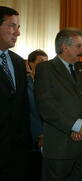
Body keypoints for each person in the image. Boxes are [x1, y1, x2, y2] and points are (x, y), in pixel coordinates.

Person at [34, 28, 82, 181]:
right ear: (64, 47)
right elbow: (47, 105)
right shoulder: (45, 69)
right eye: (78, 46)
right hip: (60, 146)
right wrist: (76, 125)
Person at [0, 6, 32, 181]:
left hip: (18, 153)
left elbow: (23, 105)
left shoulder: (19, 62)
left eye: (18, 27)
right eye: (13, 26)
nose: (17, 32)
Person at [26, 49, 48, 181]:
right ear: (31, 64)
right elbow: (29, 112)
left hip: (51, 139)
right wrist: (39, 133)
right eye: (41, 62)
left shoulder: (49, 85)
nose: (45, 65)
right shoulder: (24, 84)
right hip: (32, 140)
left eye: (47, 62)